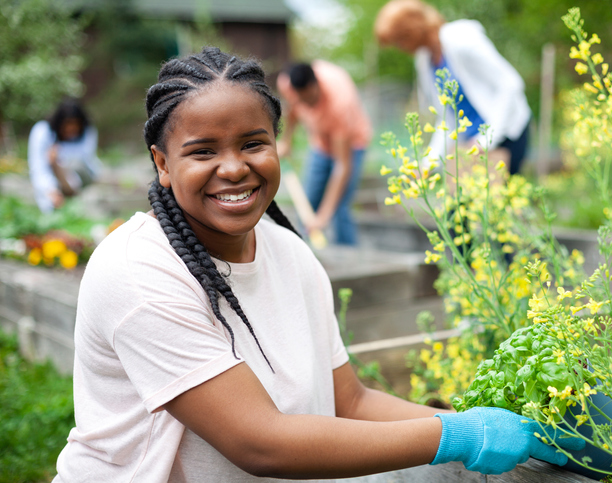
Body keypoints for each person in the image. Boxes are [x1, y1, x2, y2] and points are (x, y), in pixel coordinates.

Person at [52, 47, 582, 482]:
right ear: (162, 163)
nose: (234, 168)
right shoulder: (139, 271)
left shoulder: (290, 253)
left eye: (253, 143)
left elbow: (349, 401)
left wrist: (474, 425)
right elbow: (259, 444)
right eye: (203, 151)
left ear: (278, 144)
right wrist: (459, 437)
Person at [374, 0, 532, 176]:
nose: (400, 48)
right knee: (469, 200)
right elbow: (447, 119)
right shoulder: (424, 61)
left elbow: (510, 84)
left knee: (498, 198)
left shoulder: (460, 39)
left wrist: (486, 140)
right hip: (470, 144)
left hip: (506, 134)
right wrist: (428, 164)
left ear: (412, 31)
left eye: (399, 41)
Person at [276, 61, 371, 245]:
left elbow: (342, 166)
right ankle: (305, 252)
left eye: (308, 99)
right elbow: (292, 109)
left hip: (352, 144)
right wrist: (287, 141)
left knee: (339, 208)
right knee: (308, 204)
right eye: (301, 99)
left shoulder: (340, 102)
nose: (306, 105)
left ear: (315, 85)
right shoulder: (287, 84)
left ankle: (348, 259)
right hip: (320, 144)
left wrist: (324, 216)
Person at [27, 99, 102, 213]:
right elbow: (37, 167)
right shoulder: (42, 131)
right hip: (52, 178)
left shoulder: (87, 131)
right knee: (48, 202)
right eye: (67, 125)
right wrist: (50, 189)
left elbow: (86, 161)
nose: (71, 129)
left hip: (78, 177)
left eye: (75, 125)